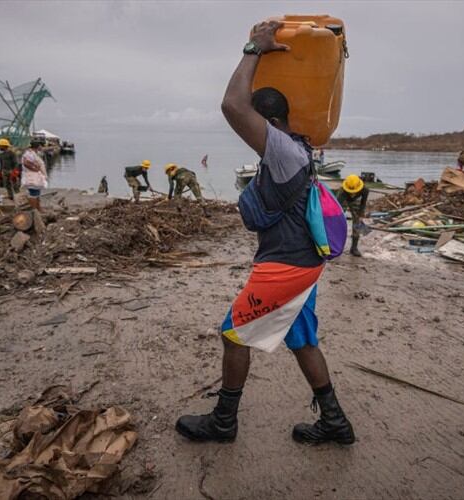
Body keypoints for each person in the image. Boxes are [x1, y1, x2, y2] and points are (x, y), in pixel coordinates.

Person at [176, 20, 354, 446]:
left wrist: (254, 48)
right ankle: (335, 422)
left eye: (259, 122)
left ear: (270, 120)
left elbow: (232, 106)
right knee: (302, 338)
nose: (251, 131)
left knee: (233, 335)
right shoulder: (298, 148)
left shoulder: (281, 147)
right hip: (304, 263)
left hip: (285, 267)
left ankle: (223, 422)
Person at [336, 174, 369, 257]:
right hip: (344, 199)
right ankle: (336, 245)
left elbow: (363, 203)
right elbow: (337, 205)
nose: (352, 192)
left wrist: (361, 214)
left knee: (357, 222)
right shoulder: (343, 191)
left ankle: (354, 248)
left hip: (355, 201)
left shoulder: (365, 190)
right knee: (338, 220)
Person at [21, 137, 48, 211]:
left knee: (37, 192)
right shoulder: (29, 153)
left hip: (35, 176)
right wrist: (35, 169)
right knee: (33, 193)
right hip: (32, 176)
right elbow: (26, 163)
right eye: (41, 145)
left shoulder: (34, 153)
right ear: (38, 146)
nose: (42, 147)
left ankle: (38, 208)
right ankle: (34, 210)